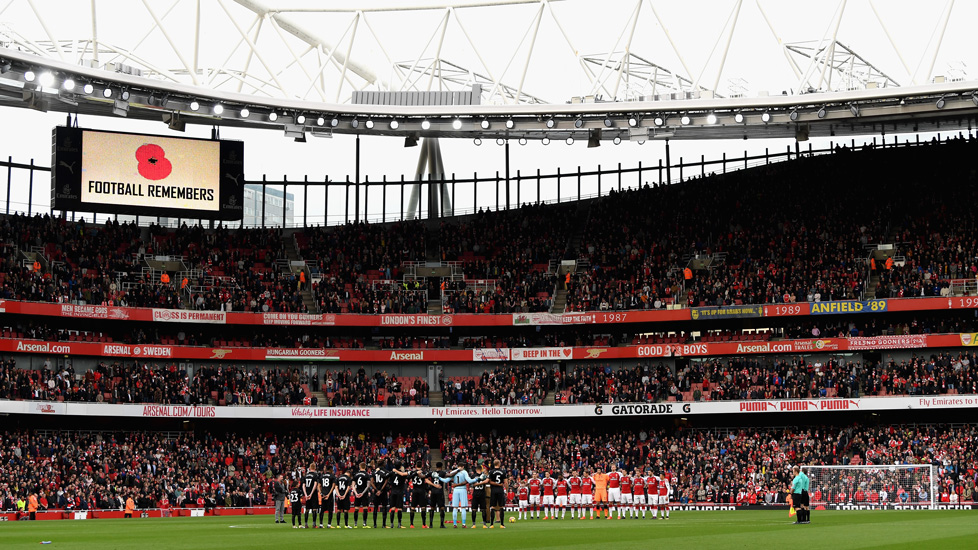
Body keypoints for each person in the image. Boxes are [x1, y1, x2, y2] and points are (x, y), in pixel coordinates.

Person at [439, 462, 479, 528]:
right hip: (463, 489)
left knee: (455, 507)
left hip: (455, 490)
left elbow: (446, 480)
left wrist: (439, 478)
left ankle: (455, 524)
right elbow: (470, 481)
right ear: (463, 467)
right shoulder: (464, 472)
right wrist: (477, 479)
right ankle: (463, 524)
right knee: (463, 507)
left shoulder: (454, 471)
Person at [369, 459, 391, 528]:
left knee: (375, 507)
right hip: (383, 491)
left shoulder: (374, 472)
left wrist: (376, 490)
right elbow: (386, 481)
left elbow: (371, 482)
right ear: (383, 464)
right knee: (384, 507)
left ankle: (375, 524)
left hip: (376, 492)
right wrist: (381, 490)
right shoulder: (386, 472)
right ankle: (384, 524)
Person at [426, 461, 448, 528]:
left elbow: (426, 479)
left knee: (432, 507)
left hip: (433, 492)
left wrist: (433, 485)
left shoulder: (432, 473)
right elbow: (449, 476)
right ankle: (441, 524)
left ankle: (430, 524)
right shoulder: (443, 473)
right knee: (442, 508)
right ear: (441, 467)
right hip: (440, 492)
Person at [388, 460, 409, 528]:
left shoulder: (391, 473)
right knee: (399, 508)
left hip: (393, 492)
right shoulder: (402, 474)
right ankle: (399, 524)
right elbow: (406, 474)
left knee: (393, 508)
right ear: (400, 466)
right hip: (400, 492)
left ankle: (391, 524)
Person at [487, 459, 507, 528]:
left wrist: (495, 484)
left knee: (492, 506)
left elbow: (489, 481)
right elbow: (506, 482)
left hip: (493, 490)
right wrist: (506, 490)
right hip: (500, 490)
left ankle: (491, 524)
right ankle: (502, 524)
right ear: (499, 463)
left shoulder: (491, 472)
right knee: (501, 506)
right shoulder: (503, 471)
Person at [409, 462, 428, 528]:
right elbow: (426, 480)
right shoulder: (424, 472)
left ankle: (411, 524)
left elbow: (408, 477)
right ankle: (424, 524)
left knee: (413, 507)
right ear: (422, 465)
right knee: (423, 507)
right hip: (421, 491)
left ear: (416, 465)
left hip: (414, 491)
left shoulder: (413, 472)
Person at [352, 462, 371, 528]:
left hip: (357, 493)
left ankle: (355, 524)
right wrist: (362, 493)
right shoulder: (367, 475)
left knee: (356, 508)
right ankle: (364, 524)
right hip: (364, 493)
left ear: (360, 467)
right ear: (365, 467)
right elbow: (368, 486)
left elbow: (353, 485)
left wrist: (356, 493)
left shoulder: (356, 474)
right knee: (365, 508)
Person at [302, 463, 320, 528]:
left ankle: (306, 524)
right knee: (314, 509)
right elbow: (315, 485)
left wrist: (306, 494)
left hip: (307, 494)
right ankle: (314, 524)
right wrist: (311, 494)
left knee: (307, 509)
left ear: (309, 468)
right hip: (313, 494)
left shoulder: (306, 475)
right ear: (315, 468)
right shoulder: (316, 475)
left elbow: (303, 486)